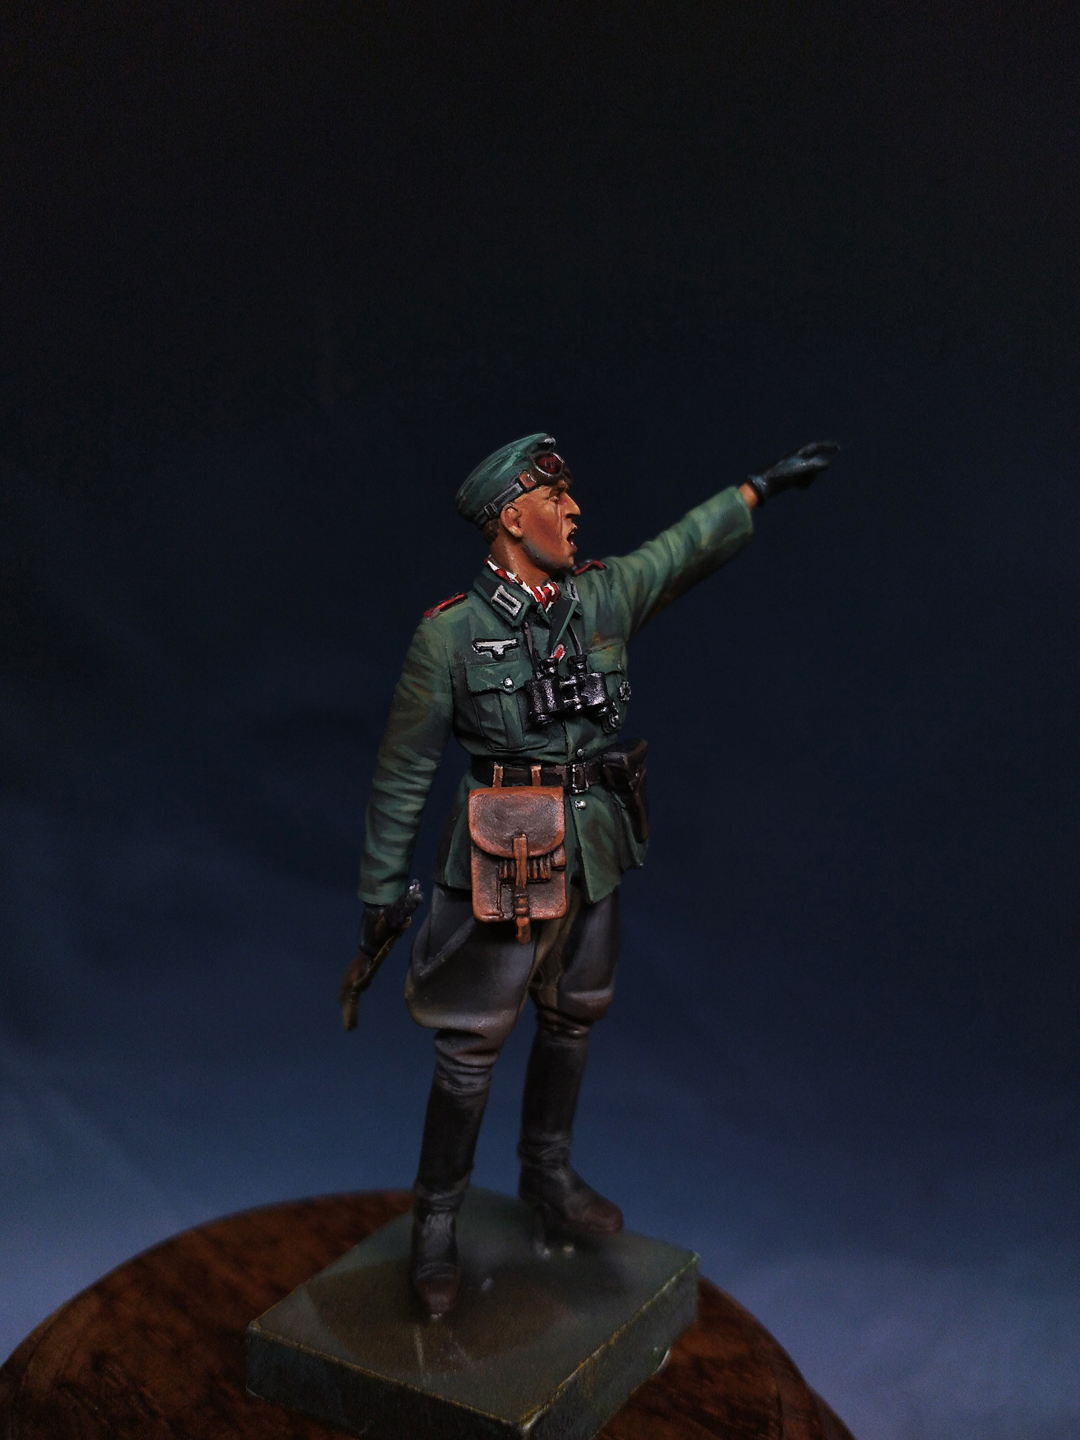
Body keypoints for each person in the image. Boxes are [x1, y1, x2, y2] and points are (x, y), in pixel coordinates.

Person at [349, 432, 839, 1315]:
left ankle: (547, 1173)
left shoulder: (599, 598)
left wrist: (754, 491)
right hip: (505, 854)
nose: (574, 510)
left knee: (574, 1019)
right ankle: (437, 1219)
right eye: (555, 498)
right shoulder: (451, 635)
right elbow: (404, 769)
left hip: (594, 844)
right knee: (469, 1053)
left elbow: (678, 552)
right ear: (512, 517)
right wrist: (383, 890)